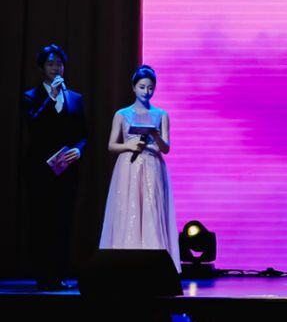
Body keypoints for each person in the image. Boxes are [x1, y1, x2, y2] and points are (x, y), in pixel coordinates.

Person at [20, 44, 88, 290]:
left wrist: (79, 150)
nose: (56, 68)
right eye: (50, 64)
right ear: (42, 68)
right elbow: (34, 125)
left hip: (66, 169)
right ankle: (42, 275)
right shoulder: (31, 96)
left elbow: (83, 133)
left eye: (59, 64)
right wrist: (51, 98)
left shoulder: (75, 98)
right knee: (41, 221)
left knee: (63, 222)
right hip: (39, 170)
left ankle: (59, 274)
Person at [99, 65, 179, 270]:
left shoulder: (161, 114)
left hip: (152, 166)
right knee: (129, 208)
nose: (146, 91)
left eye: (150, 88)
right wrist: (129, 145)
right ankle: (124, 264)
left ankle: (156, 266)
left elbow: (166, 148)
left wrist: (155, 135)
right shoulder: (121, 114)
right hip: (129, 166)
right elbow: (111, 145)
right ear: (134, 87)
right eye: (142, 87)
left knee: (152, 210)